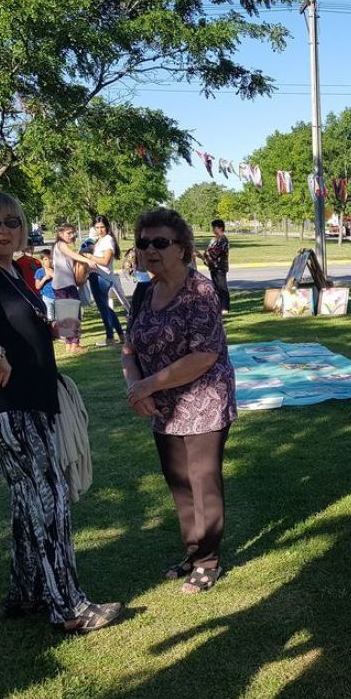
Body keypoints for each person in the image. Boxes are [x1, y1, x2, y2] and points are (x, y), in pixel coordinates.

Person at [0, 189, 120, 634]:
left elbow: (13, 323)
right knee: (50, 498)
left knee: (27, 498)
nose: (5, 231)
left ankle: (28, 590)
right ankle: (69, 607)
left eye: (12, 222)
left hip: (33, 398)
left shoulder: (13, 271)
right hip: (12, 406)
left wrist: (49, 328)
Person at [122, 208, 237, 594]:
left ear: (183, 249)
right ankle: (193, 550)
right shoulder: (143, 292)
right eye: (143, 243)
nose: (149, 250)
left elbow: (203, 356)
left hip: (204, 399)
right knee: (178, 481)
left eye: (160, 243)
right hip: (162, 405)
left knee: (203, 480)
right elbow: (128, 349)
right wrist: (136, 386)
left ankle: (208, 561)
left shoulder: (200, 291)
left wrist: (148, 385)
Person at [51, 223, 96, 354]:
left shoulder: (57, 247)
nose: (72, 235)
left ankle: (69, 344)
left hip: (59, 285)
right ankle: (75, 344)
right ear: (60, 234)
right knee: (74, 315)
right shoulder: (61, 245)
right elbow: (72, 255)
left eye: (73, 233)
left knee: (66, 316)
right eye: (68, 233)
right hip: (66, 284)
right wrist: (88, 261)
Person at [86, 215, 126, 346]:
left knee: (104, 309)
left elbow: (105, 261)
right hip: (97, 276)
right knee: (107, 308)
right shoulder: (99, 240)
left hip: (101, 277)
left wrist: (90, 257)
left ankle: (110, 337)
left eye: (102, 227)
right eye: (97, 227)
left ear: (107, 227)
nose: (100, 230)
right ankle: (121, 335)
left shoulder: (108, 240)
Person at [203, 218, 231, 312]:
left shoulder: (223, 239)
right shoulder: (214, 239)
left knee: (222, 286)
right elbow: (207, 250)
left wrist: (208, 254)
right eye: (213, 227)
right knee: (216, 287)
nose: (213, 229)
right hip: (213, 266)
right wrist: (207, 256)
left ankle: (225, 306)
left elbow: (215, 252)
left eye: (214, 227)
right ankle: (218, 305)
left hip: (220, 266)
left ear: (220, 228)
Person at [34, 248, 57, 321]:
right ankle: (50, 331)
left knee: (58, 318)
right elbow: (37, 286)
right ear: (42, 261)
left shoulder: (56, 270)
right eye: (46, 259)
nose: (49, 261)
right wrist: (45, 278)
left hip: (58, 297)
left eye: (51, 259)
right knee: (50, 318)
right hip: (47, 298)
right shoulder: (40, 271)